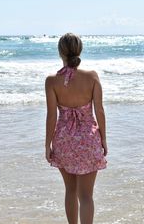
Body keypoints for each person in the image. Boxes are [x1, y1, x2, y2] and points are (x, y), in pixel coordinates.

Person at [45, 33, 107, 224]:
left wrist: (47, 145)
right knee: (86, 196)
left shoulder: (51, 81)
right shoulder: (91, 76)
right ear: (79, 50)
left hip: (64, 141)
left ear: (60, 52)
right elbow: (99, 110)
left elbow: (52, 116)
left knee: (70, 191)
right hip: (88, 140)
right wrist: (103, 139)